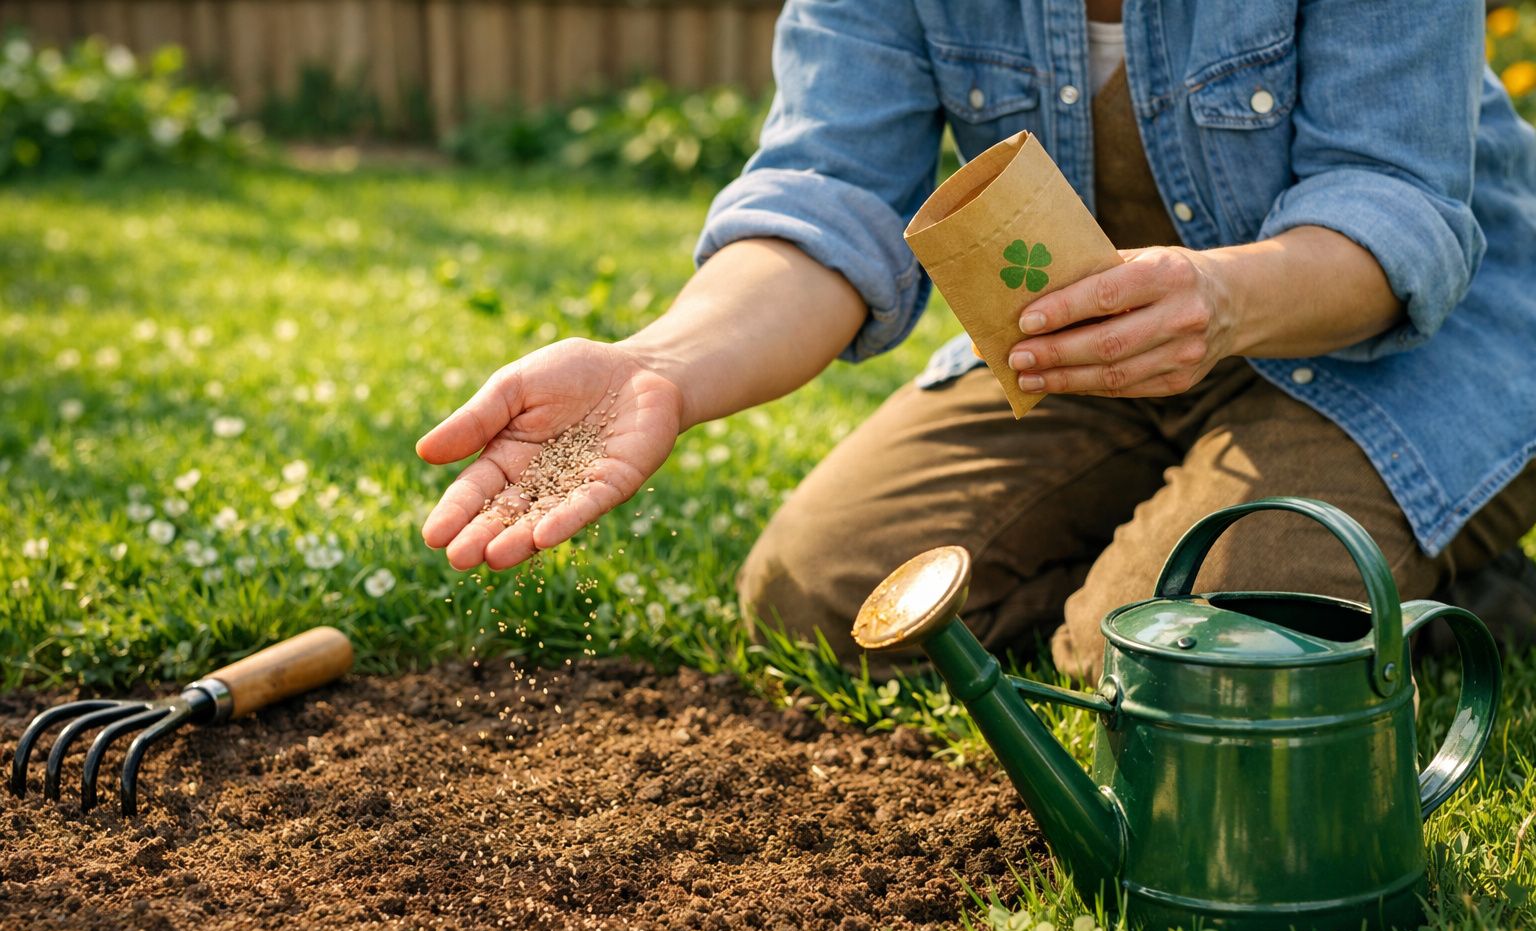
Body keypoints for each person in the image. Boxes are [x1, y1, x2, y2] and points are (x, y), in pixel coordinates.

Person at [417, 0, 1536, 679]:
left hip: (1401, 345)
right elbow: (830, 195)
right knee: (827, 597)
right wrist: (661, 365)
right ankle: (1299, 572)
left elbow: (1396, 202)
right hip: (1099, 345)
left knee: (1158, 672)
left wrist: (1222, 303)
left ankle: (1427, 560)